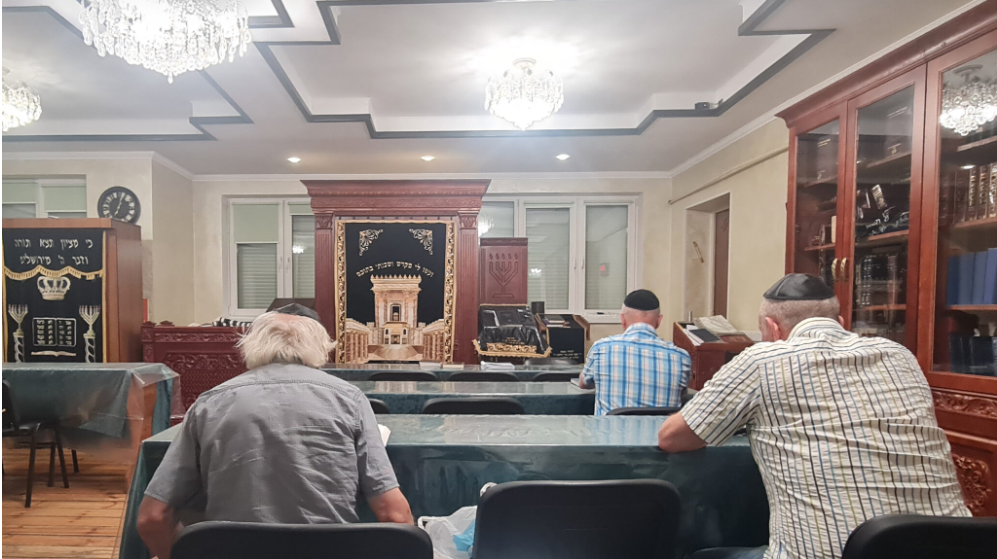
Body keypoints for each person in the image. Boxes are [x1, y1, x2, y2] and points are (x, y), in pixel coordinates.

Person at [657, 274, 970, 559]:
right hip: (953, 548)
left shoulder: (762, 360)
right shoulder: (900, 355)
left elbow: (673, 437)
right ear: (841, 322)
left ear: (774, 328)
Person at [137, 304, 412, 559]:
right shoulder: (349, 399)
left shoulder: (210, 403)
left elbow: (152, 518)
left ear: (251, 344)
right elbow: (394, 516)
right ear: (321, 346)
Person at [579, 289, 690, 415]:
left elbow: (584, 383)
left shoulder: (600, 348)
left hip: (610, 428)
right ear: (659, 321)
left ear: (623, 319)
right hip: (660, 429)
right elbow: (682, 395)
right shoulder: (682, 358)